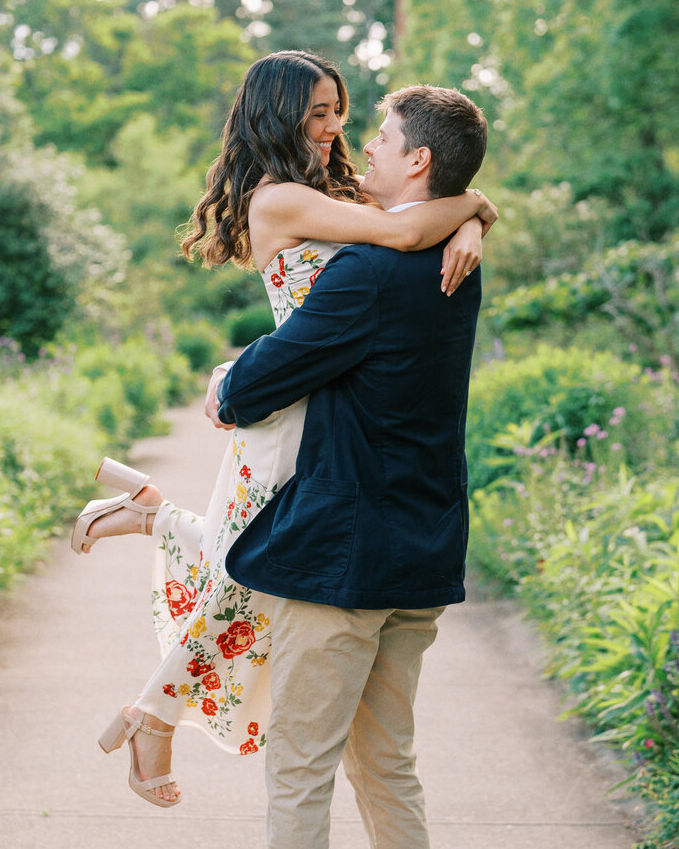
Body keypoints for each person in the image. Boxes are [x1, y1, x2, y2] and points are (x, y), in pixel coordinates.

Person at [71, 52, 495, 808]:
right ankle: (153, 711)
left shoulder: (337, 188)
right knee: (249, 574)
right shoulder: (279, 199)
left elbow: (416, 206)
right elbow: (404, 236)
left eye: (339, 111)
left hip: (329, 409)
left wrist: (476, 215)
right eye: (319, 115)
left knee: (258, 571)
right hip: (280, 411)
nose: (336, 129)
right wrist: (474, 211)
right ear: (279, 116)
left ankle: (152, 567)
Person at [215, 84, 489, 849]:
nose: (364, 149)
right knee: (388, 770)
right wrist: (476, 214)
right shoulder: (459, 265)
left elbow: (254, 389)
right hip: (420, 556)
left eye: (378, 137)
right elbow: (434, 223)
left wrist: (219, 382)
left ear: (417, 162)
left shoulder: (366, 274)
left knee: (298, 777)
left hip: (339, 565)